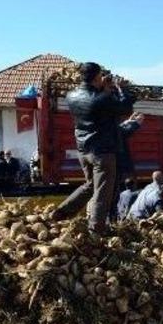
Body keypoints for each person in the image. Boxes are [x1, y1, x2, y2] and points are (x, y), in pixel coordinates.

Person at [51, 62, 135, 233]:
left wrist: (102, 88)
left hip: (83, 149)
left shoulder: (71, 96)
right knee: (103, 190)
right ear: (97, 76)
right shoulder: (103, 99)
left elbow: (96, 106)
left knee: (90, 185)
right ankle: (97, 227)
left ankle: (61, 212)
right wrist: (121, 89)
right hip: (102, 152)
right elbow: (126, 107)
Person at [112, 111, 145, 219]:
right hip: (119, 166)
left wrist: (129, 121)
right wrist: (136, 123)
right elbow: (123, 132)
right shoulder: (115, 131)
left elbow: (121, 129)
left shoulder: (108, 127)